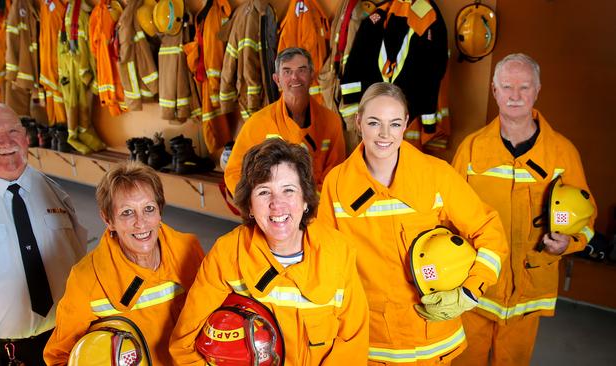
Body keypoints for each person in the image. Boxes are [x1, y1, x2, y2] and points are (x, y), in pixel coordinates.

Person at [317, 82, 508, 365]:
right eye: (374, 122)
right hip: (372, 341)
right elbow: (325, 260)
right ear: (358, 122)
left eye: (394, 124)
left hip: (432, 340)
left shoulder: (436, 175)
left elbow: (489, 230)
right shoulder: (337, 184)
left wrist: (471, 289)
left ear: (406, 124)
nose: (384, 134)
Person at [450, 53, 597, 366]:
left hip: (527, 295)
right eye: (507, 87)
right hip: (477, 287)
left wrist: (568, 243)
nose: (515, 96)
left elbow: (586, 217)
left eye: (524, 87)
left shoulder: (562, 152)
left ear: (538, 90)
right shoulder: (472, 150)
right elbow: (448, 215)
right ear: (494, 91)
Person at [170, 138, 369, 365]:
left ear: (305, 200)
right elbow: (183, 344)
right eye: (264, 192)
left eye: (289, 190)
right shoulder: (227, 255)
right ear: (250, 206)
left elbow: (353, 341)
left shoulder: (338, 253)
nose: (277, 204)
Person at [43, 161, 205, 365]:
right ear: (108, 220)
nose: (141, 222)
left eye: (148, 208)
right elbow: (59, 356)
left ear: (160, 212)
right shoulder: (86, 279)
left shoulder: (188, 249)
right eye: (127, 212)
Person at [0, 103, 87, 365]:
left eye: (13, 130)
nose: (5, 142)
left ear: (25, 137)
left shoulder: (54, 191)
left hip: (60, 344)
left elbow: (80, 260)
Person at [223, 47, 346, 196]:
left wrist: (308, 205)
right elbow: (234, 172)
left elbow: (336, 176)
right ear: (277, 80)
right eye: (287, 71)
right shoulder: (259, 123)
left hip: (317, 211)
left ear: (312, 76)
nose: (295, 77)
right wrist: (257, 204)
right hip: (275, 211)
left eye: (301, 70)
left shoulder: (331, 121)